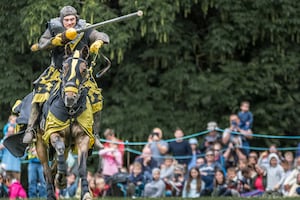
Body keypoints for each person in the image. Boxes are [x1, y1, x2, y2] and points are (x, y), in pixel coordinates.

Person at [23, 5, 109, 146]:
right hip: (57, 71)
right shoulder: (53, 28)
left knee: (96, 97)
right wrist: (56, 40)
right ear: (62, 20)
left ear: (77, 19)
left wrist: (99, 41)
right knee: (39, 93)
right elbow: (42, 43)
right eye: (67, 20)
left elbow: (102, 35)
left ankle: (95, 134)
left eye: (72, 19)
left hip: (80, 75)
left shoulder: (85, 29)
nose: (70, 22)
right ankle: (30, 129)